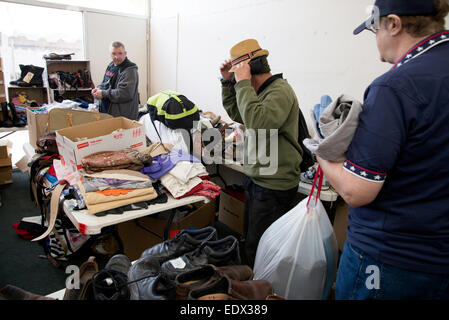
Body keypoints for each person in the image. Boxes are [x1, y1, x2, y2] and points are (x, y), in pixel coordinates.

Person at [316, 0, 449, 299]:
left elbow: (356, 190)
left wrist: (322, 152)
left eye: (374, 29)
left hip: (389, 261)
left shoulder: (394, 86)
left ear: (393, 24)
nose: (375, 41)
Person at [220, 39, 303, 267]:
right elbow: (241, 114)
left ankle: (259, 292)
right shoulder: (260, 91)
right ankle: (251, 284)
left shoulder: (279, 91)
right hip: (258, 179)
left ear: (249, 69)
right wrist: (228, 84)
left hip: (273, 185)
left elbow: (259, 123)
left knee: (261, 249)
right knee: (251, 242)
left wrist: (242, 84)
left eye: (238, 73)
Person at [92, 41, 139, 120]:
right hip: (108, 110)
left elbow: (125, 93)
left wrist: (103, 93)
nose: (117, 57)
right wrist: (98, 89)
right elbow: (105, 83)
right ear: (110, 54)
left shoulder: (129, 70)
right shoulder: (111, 65)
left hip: (122, 115)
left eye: (120, 53)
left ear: (125, 53)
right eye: (114, 54)